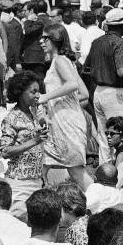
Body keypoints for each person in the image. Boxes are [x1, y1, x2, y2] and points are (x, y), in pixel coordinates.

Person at [37, 24, 90, 189]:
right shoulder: (65, 61)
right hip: (61, 119)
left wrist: (46, 97)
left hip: (67, 122)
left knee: (76, 172)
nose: (41, 42)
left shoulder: (60, 60)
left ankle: (102, 200)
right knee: (41, 163)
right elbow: (84, 94)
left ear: (55, 39)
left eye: (45, 38)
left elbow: (73, 84)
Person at [85, 7, 123, 165]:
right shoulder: (119, 42)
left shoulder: (96, 42)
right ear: (122, 26)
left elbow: (85, 68)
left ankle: (105, 170)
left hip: (98, 92)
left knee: (104, 135)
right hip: (115, 92)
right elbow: (121, 71)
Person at [0, 71, 48, 220]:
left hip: (36, 182)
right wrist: (33, 141)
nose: (38, 95)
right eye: (33, 92)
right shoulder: (12, 118)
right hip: (19, 185)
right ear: (20, 92)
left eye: (38, 91)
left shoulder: (34, 115)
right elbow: (5, 151)